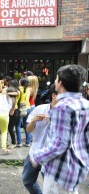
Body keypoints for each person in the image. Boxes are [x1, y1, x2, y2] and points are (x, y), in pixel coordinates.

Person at [30, 65, 89, 194]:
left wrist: (37, 157)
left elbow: (60, 144)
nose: (55, 81)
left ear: (60, 83)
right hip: (77, 168)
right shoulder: (85, 104)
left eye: (56, 78)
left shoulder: (62, 107)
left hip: (60, 171)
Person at [22, 84, 58, 194]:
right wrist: (33, 121)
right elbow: (28, 130)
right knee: (27, 180)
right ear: (54, 96)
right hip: (35, 151)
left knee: (50, 187)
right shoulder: (40, 109)